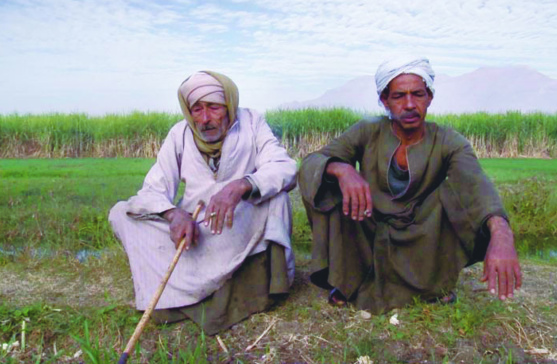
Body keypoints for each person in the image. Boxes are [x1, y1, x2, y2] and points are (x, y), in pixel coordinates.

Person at [299, 57, 522, 313]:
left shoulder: (449, 141)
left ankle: (433, 285)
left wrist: (501, 233)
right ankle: (349, 278)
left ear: (429, 97)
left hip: (422, 233)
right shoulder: (367, 130)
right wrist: (341, 169)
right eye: (398, 96)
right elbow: (310, 163)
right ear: (385, 100)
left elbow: (476, 184)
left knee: (454, 195)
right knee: (324, 179)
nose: (409, 105)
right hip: (369, 225)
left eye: (417, 94)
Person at [109, 71, 297, 334]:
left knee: (277, 196)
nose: (205, 119)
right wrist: (173, 214)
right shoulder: (179, 134)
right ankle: (187, 286)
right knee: (121, 212)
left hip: (237, 224)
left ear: (229, 105)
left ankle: (254, 284)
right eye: (196, 110)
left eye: (213, 108)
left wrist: (241, 185)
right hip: (195, 232)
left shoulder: (252, 122)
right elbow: (152, 190)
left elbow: (284, 167)